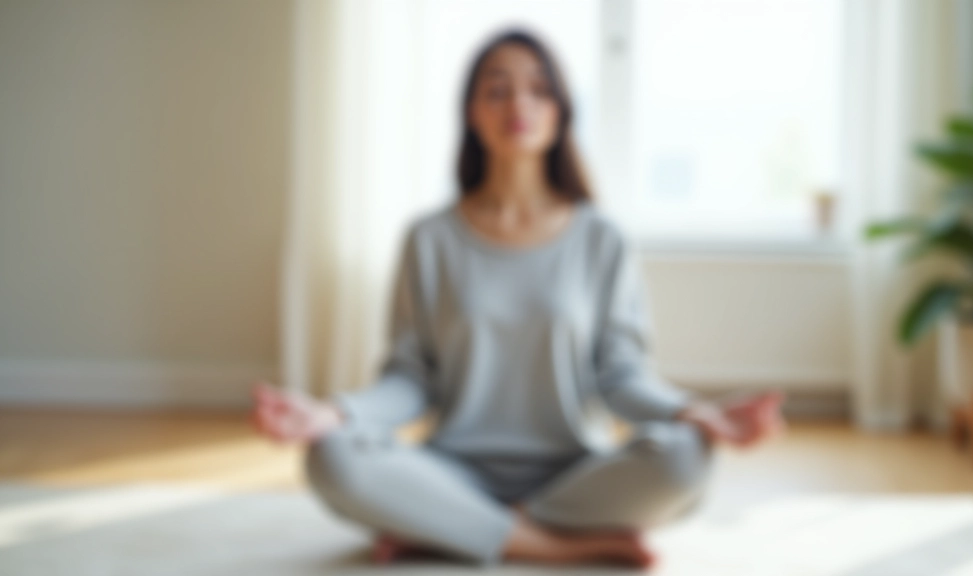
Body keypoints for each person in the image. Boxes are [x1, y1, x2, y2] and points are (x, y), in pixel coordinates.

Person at [252, 27, 785, 570]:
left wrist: (694, 411)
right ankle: (556, 544)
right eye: (497, 89)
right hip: (453, 468)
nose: (518, 104)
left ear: (561, 112)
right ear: (471, 113)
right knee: (333, 456)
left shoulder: (601, 239)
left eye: (538, 89)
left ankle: (448, 527)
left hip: (573, 473)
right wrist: (335, 413)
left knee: (685, 457)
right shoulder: (430, 239)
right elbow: (411, 379)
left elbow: (622, 376)